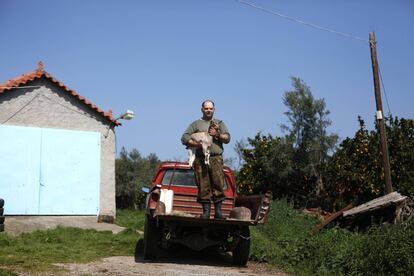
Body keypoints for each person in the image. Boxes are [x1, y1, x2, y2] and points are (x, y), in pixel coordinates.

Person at [181, 100, 230, 219]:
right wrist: (197, 144)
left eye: (211, 108)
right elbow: (184, 138)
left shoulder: (219, 123)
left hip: (216, 159)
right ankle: (206, 212)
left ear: (214, 110)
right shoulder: (196, 124)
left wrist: (217, 134)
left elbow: (227, 138)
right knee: (203, 185)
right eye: (206, 108)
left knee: (218, 184)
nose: (208, 110)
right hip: (200, 159)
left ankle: (218, 213)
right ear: (202, 109)